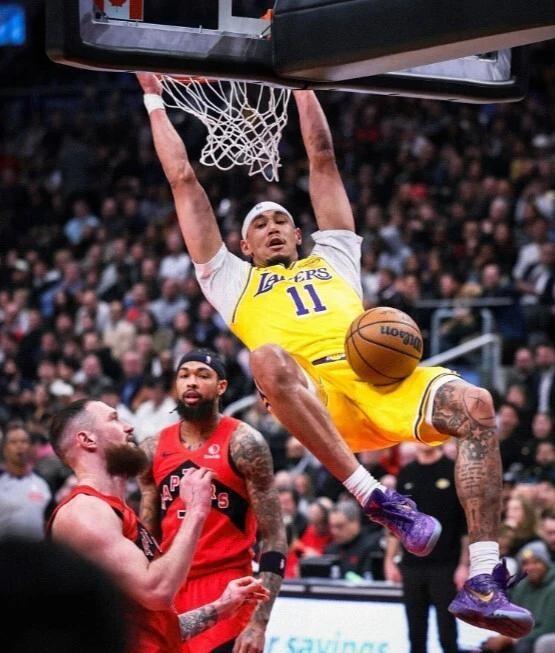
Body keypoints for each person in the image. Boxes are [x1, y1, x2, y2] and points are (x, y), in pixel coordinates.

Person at [137, 72, 533, 637]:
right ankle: (376, 498)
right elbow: (182, 180)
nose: (272, 227)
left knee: (477, 405)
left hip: (383, 379)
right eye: (259, 225)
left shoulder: (336, 257)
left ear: (299, 234)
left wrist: (302, 81)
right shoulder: (229, 280)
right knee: (266, 358)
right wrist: (154, 98)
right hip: (320, 402)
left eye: (281, 220)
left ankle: (485, 579)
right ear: (244, 246)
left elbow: (322, 157)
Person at [47, 398, 269, 653]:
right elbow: (157, 591)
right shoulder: (84, 511)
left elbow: (156, 628)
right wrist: (196, 511)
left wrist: (220, 607)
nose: (129, 426)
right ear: (87, 440)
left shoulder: (114, 511)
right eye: (114, 419)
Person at [138, 349, 287, 653]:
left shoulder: (245, 443)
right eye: (184, 375)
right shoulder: (152, 448)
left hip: (228, 586)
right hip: (170, 588)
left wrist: (258, 623)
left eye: (202, 375)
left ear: (221, 387)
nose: (191, 382)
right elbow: (147, 536)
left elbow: (274, 537)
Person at [384, 444, 468, 653]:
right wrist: (389, 560)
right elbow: (396, 521)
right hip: (411, 565)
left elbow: (465, 525)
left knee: (447, 634)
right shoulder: (406, 472)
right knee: (415, 634)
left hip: (446, 564)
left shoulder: (453, 470)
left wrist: (464, 565)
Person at [480, 541, 555, 653]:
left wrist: (511, 639)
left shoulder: (553, 587)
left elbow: (549, 628)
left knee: (523, 646)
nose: (531, 567)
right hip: (521, 635)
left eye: (536, 562)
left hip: (542, 638)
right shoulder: (521, 587)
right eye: (525, 563)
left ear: (546, 563)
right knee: (488, 646)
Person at [0, 421, 52, 540]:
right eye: (13, 442)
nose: (20, 446)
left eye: (24, 441)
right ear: (4, 449)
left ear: (31, 447)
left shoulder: (43, 483)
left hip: (37, 549)